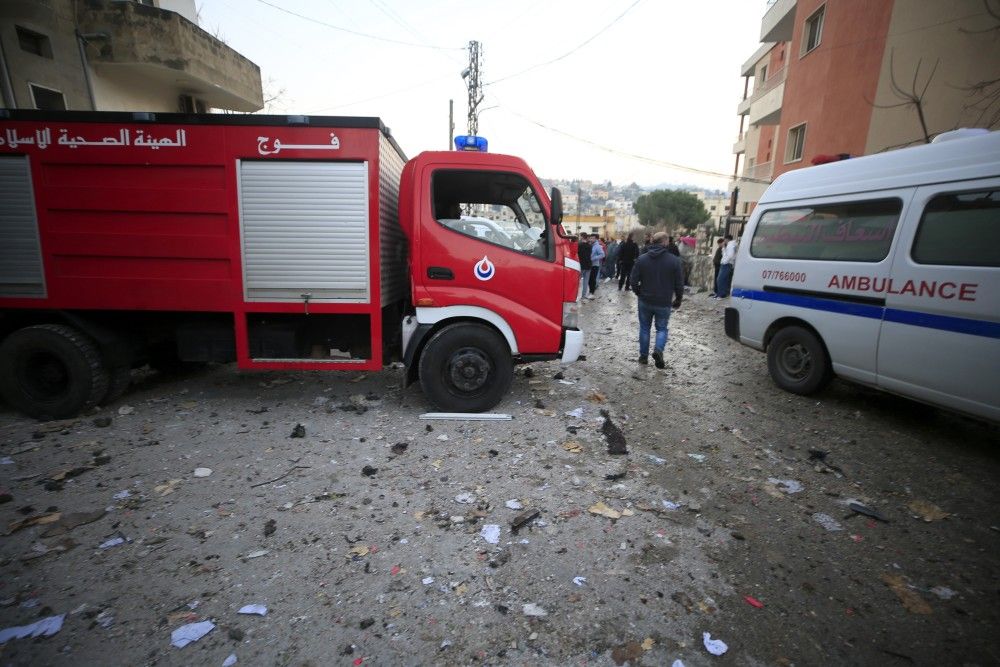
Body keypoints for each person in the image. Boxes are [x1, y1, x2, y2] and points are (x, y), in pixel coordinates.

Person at [629, 232, 684, 369]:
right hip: (664, 301)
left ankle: (643, 357)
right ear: (665, 242)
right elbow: (679, 283)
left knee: (644, 328)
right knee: (662, 329)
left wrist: (638, 292)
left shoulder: (642, 259)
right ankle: (658, 350)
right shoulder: (674, 260)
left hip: (645, 299)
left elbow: (633, 280)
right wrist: (678, 298)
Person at [715, 234, 737, 298]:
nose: (724, 241)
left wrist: (724, 262)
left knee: (720, 279)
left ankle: (721, 294)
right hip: (726, 264)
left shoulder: (730, 245)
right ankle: (723, 293)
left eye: (725, 239)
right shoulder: (729, 245)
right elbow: (725, 254)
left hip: (726, 264)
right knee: (724, 280)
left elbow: (730, 256)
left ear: (727, 239)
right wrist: (724, 248)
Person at [588, 233, 605, 298]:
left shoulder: (598, 246)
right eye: (591, 238)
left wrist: (593, 258)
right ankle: (590, 291)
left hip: (595, 265)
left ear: (596, 239)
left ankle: (592, 292)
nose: (591, 239)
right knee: (589, 279)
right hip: (589, 264)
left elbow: (602, 255)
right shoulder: (590, 244)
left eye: (593, 238)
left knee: (592, 279)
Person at [577, 235, 592, 302]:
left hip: (581, 265)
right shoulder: (589, 246)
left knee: (577, 281)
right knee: (586, 281)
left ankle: (576, 295)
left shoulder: (579, 245)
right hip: (588, 265)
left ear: (582, 238)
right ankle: (583, 296)